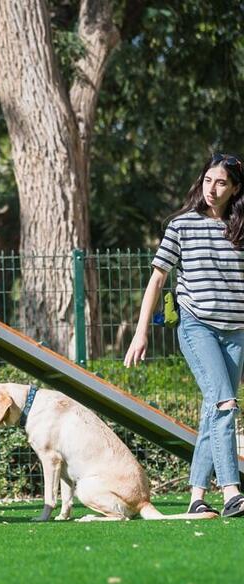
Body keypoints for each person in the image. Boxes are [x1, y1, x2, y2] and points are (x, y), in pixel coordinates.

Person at [125, 152, 244, 518]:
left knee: (214, 408)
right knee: (226, 405)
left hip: (236, 331)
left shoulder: (240, 229)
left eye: (221, 182)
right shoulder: (182, 225)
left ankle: (196, 495)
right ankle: (231, 493)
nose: (212, 188)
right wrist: (141, 332)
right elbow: (157, 279)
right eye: (208, 180)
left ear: (235, 188)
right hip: (197, 327)